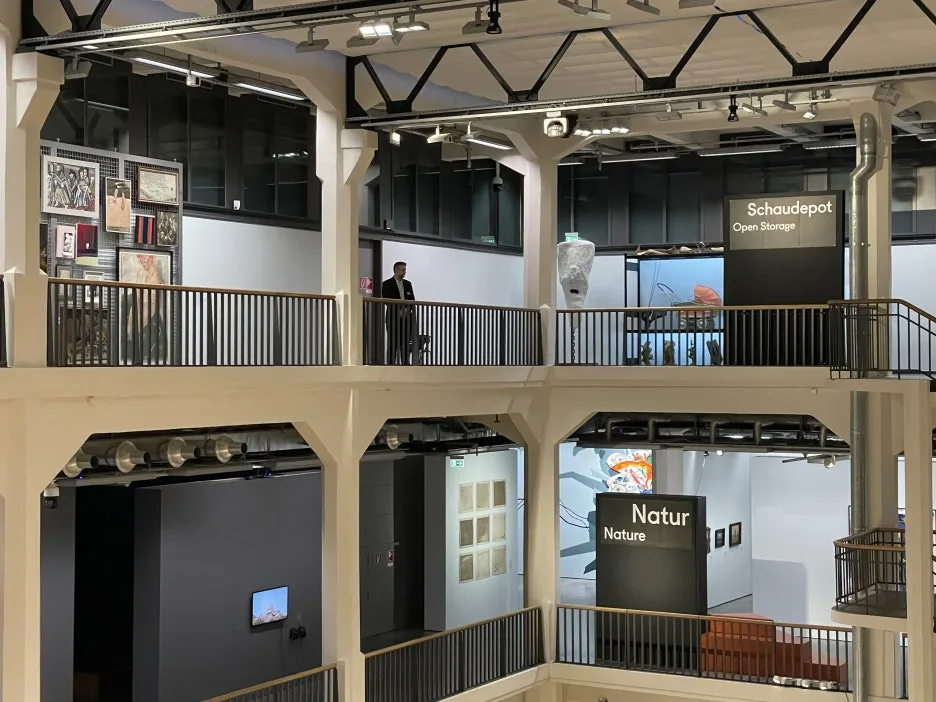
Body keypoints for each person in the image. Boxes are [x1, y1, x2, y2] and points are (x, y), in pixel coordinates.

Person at [381, 261, 416, 365]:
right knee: (393, 343)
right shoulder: (387, 284)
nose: (405, 272)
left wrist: (407, 310)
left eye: (405, 270)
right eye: (403, 270)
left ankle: (406, 364)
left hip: (406, 319)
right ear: (396, 270)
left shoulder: (408, 284)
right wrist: (399, 311)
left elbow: (412, 300)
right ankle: (391, 365)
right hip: (393, 319)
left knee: (405, 343)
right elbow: (386, 300)